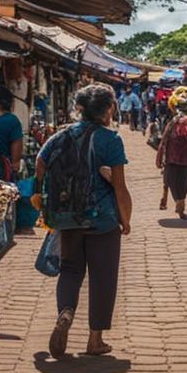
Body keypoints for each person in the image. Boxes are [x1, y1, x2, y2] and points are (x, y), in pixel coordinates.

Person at [34, 83, 131, 358]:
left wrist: (44, 192)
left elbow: (40, 163)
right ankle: (94, 340)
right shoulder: (110, 140)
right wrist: (125, 219)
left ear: (80, 108)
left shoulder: (61, 136)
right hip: (103, 220)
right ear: (108, 109)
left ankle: (65, 312)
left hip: (67, 217)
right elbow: (120, 187)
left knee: (70, 270)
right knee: (103, 277)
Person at [157, 100, 187, 216]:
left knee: (171, 182)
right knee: (183, 183)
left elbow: (163, 140)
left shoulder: (173, 121)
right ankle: (180, 207)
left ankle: (177, 203)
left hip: (172, 158)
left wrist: (159, 157)